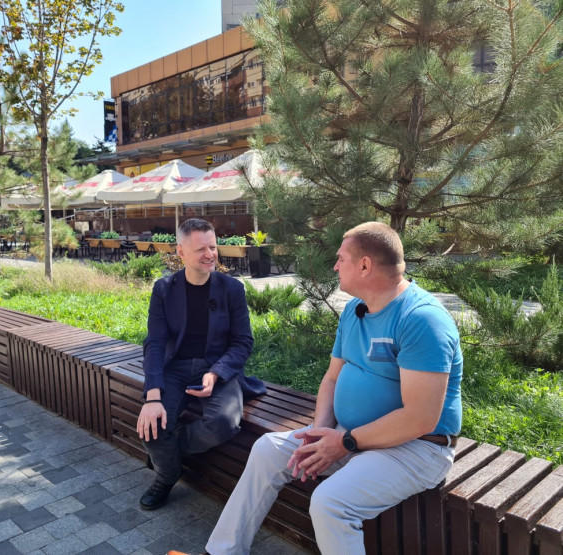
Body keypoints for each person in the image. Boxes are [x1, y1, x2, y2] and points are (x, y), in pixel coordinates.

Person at [168, 222, 462, 555]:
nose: (335, 266)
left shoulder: (421, 320)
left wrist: (345, 442)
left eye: (341, 259)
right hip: (351, 436)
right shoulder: (354, 310)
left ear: (365, 265)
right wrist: (318, 433)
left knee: (330, 503)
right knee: (268, 449)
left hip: (416, 448)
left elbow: (420, 418)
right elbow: (332, 378)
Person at [137, 218, 266, 511]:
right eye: (201, 249)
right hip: (175, 369)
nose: (210, 255)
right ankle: (167, 475)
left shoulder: (231, 289)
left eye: (213, 247)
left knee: (223, 423)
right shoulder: (164, 289)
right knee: (153, 427)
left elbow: (242, 342)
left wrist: (216, 373)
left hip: (216, 369)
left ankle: (165, 454)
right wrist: (153, 396)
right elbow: (155, 343)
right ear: (181, 252)